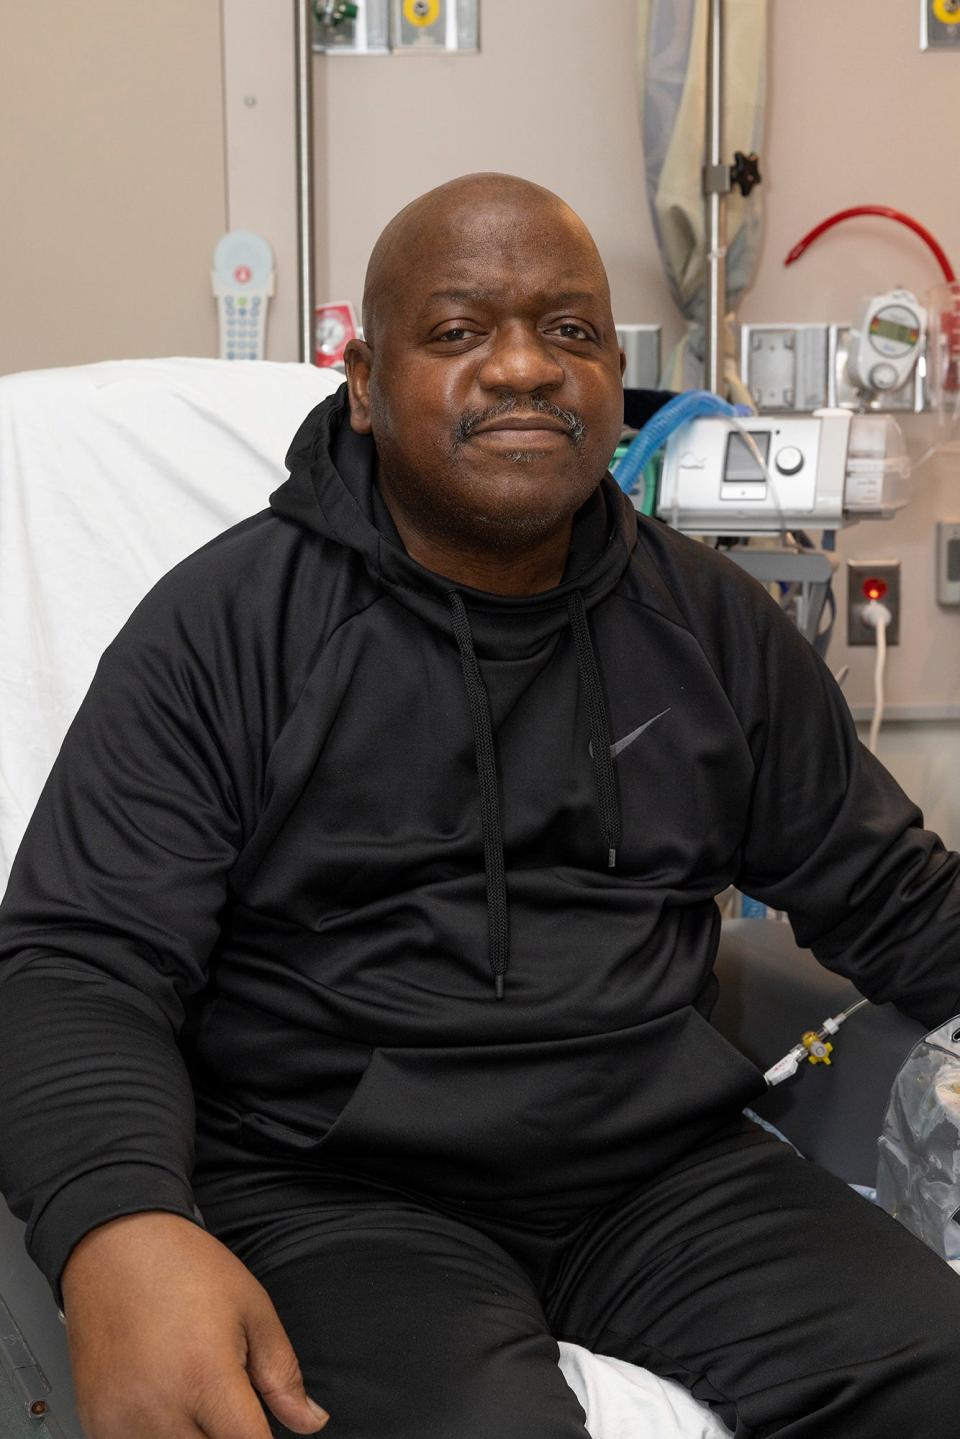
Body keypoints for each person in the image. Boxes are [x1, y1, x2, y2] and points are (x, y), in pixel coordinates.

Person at [1, 172, 960, 1439]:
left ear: (614, 376)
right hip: (326, 1187)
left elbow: (890, 892)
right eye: (458, 332)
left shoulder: (709, 625)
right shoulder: (228, 628)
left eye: (569, 332)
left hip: (655, 1171)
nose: (523, 368)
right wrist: (119, 1224)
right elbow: (80, 960)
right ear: (359, 380)